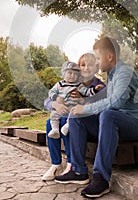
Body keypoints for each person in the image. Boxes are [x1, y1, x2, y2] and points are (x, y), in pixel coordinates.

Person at [54, 36, 138, 199]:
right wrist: (79, 108)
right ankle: (79, 171)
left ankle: (101, 179)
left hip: (137, 125)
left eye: (98, 58)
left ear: (110, 56)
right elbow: (103, 103)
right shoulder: (111, 76)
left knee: (106, 114)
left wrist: (86, 108)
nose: (96, 63)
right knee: (79, 118)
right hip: (116, 122)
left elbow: (116, 102)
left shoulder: (124, 72)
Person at [42, 53, 105, 181]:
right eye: (82, 65)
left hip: (86, 122)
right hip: (66, 113)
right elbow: (47, 100)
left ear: (96, 67)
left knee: (67, 121)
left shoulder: (98, 86)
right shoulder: (69, 81)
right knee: (50, 123)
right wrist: (55, 104)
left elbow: (100, 105)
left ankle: (71, 163)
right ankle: (55, 163)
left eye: (90, 65)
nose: (86, 68)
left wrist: (82, 100)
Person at [48, 61, 103, 139]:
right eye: (70, 73)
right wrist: (56, 98)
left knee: (73, 115)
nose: (73, 76)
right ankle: (55, 130)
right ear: (64, 73)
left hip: (73, 107)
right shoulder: (59, 84)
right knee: (53, 115)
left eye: (75, 74)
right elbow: (51, 93)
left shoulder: (78, 85)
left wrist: (95, 89)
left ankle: (67, 126)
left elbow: (87, 92)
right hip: (62, 107)